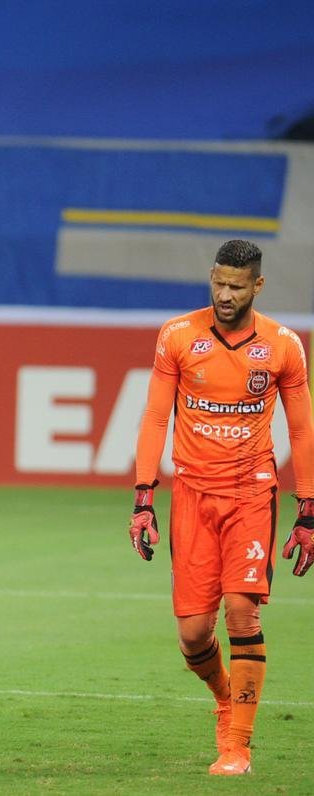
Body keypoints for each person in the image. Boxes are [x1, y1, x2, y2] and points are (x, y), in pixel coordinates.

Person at [129, 239, 314, 775]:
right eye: (218, 282)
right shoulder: (178, 337)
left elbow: (300, 428)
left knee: (241, 609)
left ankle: (237, 745)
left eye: (236, 286)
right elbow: (155, 418)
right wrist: (144, 498)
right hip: (191, 493)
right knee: (192, 635)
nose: (225, 294)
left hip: (252, 492)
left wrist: (308, 507)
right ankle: (225, 697)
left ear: (257, 285)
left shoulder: (282, 346)